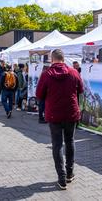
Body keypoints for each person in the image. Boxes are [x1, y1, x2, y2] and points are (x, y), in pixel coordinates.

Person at [36, 49, 83, 190]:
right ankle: (69, 173)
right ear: (64, 58)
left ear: (52, 59)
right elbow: (81, 90)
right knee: (70, 141)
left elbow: (39, 94)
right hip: (71, 113)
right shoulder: (74, 72)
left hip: (54, 114)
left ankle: (61, 178)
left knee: (57, 145)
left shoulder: (46, 75)